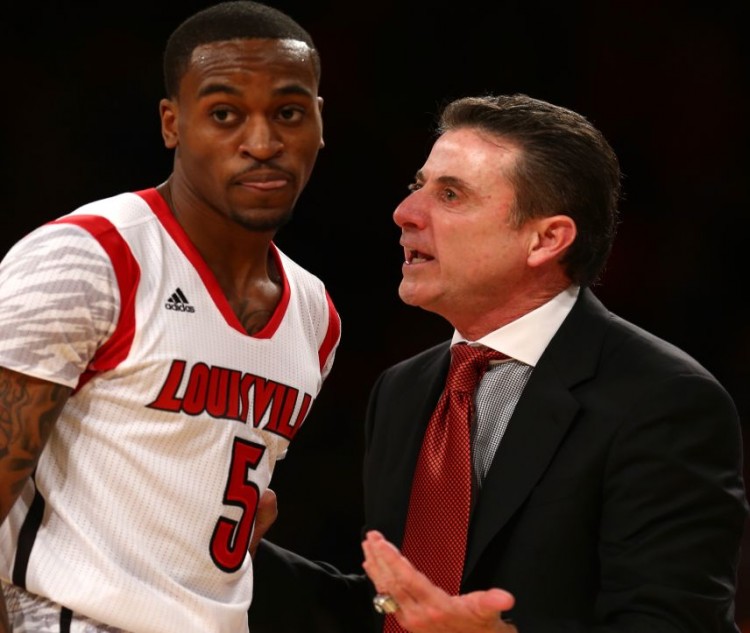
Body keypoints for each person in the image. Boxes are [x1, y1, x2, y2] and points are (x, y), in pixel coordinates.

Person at [247, 93, 749, 633]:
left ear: (546, 239)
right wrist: (235, 554)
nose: (405, 212)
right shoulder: (403, 389)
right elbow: (393, 613)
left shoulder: (662, 400)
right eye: (419, 186)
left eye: (451, 194)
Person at [0, 2, 340, 632]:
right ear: (172, 124)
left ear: (320, 123)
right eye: (225, 114)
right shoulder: (91, 257)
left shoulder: (315, 313)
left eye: (288, 114)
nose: (262, 144)